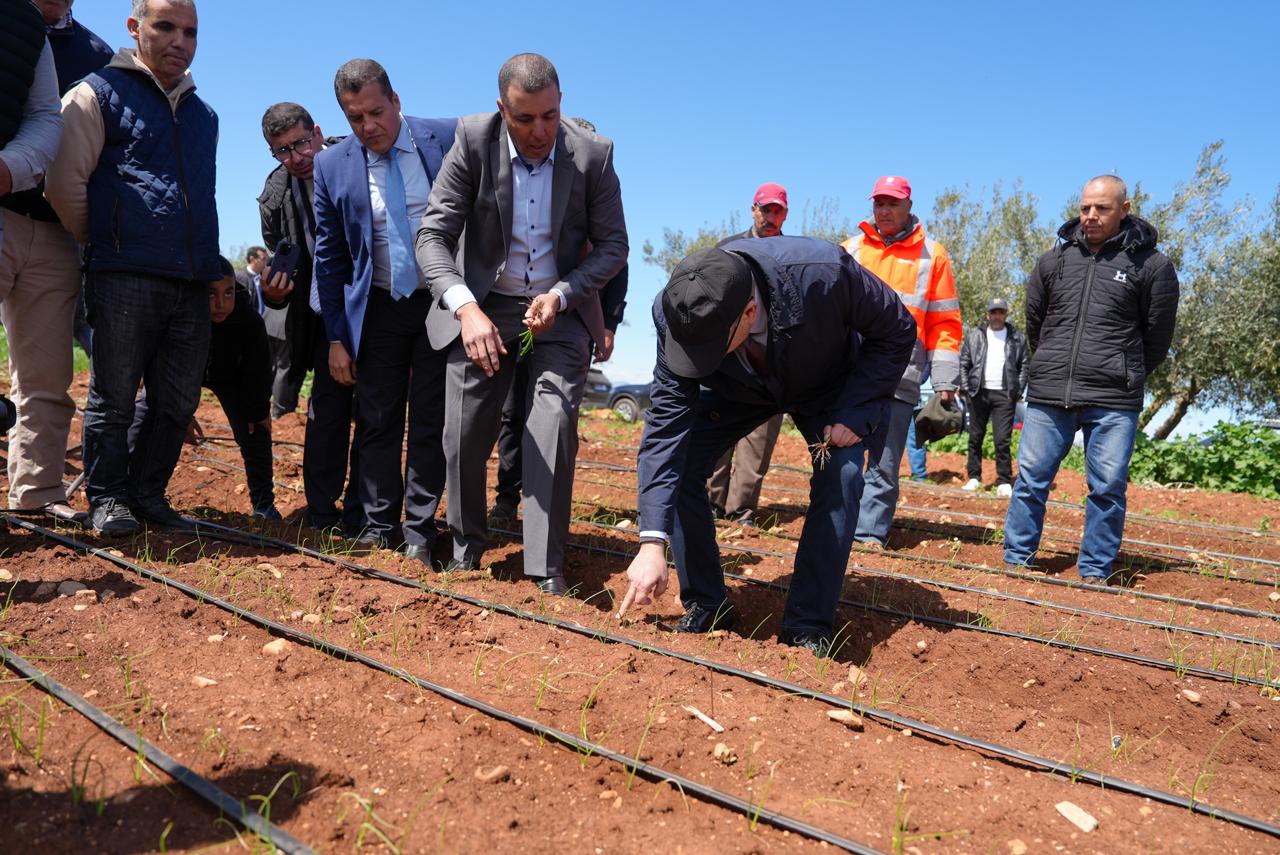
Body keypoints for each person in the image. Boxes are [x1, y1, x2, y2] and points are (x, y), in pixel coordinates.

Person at [616, 238, 915, 655]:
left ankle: (807, 626)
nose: (697, 357)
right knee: (682, 462)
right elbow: (666, 429)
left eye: (707, 350)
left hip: (824, 384)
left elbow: (897, 328)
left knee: (842, 474)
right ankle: (707, 604)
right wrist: (651, 542)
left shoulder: (826, 274)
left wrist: (856, 410)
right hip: (737, 388)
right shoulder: (677, 312)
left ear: (750, 312)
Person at [417, 53, 628, 595]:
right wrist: (466, 310)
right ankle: (466, 549)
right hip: (486, 305)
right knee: (464, 431)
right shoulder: (471, 141)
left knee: (552, 427)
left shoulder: (593, 155)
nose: (540, 132)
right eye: (525, 119)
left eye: (551, 117)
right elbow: (432, 238)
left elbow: (614, 246)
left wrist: (562, 293)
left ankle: (545, 567)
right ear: (501, 110)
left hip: (555, 312)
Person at [45, 0, 219, 535]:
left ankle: (147, 494)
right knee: (114, 396)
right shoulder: (95, 94)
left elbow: (204, 197)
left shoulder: (203, 114)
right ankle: (108, 498)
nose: (179, 40)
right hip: (122, 273)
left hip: (188, 281)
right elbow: (65, 184)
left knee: (177, 400)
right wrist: (107, 241)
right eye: (165, 26)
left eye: (189, 31)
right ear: (135, 28)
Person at [312, 59, 455, 564]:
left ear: (396, 101)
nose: (368, 126)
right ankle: (378, 525)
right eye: (355, 118)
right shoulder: (331, 167)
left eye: (376, 112)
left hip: (441, 304)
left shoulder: (447, 138)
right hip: (378, 308)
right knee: (375, 419)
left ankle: (420, 529)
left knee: (431, 420)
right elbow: (329, 258)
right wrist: (336, 336)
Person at [1004, 175, 1179, 581]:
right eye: (1085, 208)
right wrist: (1050, 361)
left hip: (1113, 398)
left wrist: (1124, 371)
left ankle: (1095, 571)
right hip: (1051, 391)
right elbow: (1036, 325)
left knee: (1107, 488)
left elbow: (1158, 335)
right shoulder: (1054, 261)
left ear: (1124, 209)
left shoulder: (1151, 265)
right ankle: (1016, 561)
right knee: (1030, 481)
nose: (1091, 216)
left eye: (1101, 208)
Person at [489, 117, 628, 528]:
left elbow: (616, 265)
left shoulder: (601, 198)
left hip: (571, 320)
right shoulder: (538, 187)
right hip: (521, 317)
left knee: (554, 417)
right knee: (513, 411)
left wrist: (609, 325)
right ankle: (507, 498)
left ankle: (543, 516)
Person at [257, 100, 363, 534]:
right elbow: (281, 264)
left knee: (378, 412)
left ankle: (367, 511)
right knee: (327, 410)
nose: (295, 157)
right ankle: (322, 512)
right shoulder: (275, 196)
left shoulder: (356, 159)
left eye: (301, 143)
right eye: (281, 150)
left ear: (318, 132)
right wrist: (273, 293)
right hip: (321, 317)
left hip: (371, 303)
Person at [842, 176, 962, 548]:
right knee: (839, 459)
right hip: (849, 373)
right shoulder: (851, 251)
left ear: (909, 206)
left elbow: (944, 321)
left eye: (892, 203)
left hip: (901, 375)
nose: (884, 210)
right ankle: (836, 528)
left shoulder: (933, 255)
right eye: (879, 203)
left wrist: (944, 379)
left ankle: (867, 536)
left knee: (884, 462)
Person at [132, 257, 279, 520]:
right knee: (147, 411)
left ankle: (264, 504)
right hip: (183, 374)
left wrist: (258, 410)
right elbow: (159, 364)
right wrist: (181, 412)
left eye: (228, 293)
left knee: (256, 426)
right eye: (211, 294)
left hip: (231, 377)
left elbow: (258, 372)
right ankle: (131, 490)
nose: (220, 304)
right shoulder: (179, 314)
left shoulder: (249, 322)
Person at [0, 0, 68, 519]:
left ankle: (36, 498)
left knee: (44, 375)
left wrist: (10, 167)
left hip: (50, 227)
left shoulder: (42, 35)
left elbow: (46, 116)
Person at [34, 1, 115, 360]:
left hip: (61, 229)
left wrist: (86, 230)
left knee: (45, 373)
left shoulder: (97, 54)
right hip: (6, 212)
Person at [705, 182, 789, 525]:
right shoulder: (728, 250)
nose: (770, 217)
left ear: (785, 214)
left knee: (760, 436)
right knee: (718, 430)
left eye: (777, 211)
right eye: (764, 209)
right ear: (753, 209)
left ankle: (741, 511)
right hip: (727, 357)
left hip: (770, 361)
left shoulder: (790, 254)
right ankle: (710, 504)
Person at [960, 296, 1028, 496]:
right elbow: (964, 363)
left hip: (1004, 395)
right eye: (993, 312)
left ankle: (1004, 480)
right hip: (978, 393)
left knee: (1002, 440)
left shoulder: (1017, 337)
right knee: (975, 437)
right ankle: (974, 477)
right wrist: (966, 388)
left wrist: (1018, 390)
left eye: (1001, 312)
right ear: (987, 314)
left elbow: (1025, 365)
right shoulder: (975, 336)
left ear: (1006, 314)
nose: (997, 316)